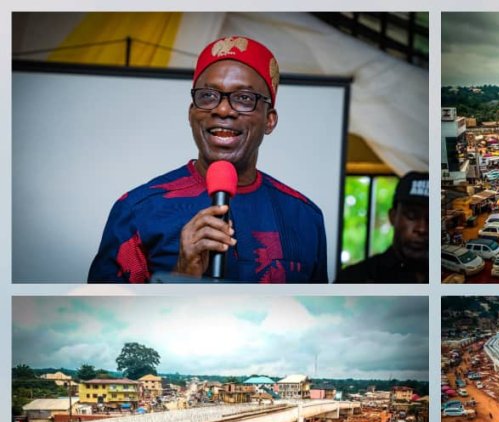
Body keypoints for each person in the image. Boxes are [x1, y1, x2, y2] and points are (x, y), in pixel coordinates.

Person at [88, 37, 327, 284]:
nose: (222, 110)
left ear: (269, 120)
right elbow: (102, 317)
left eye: (244, 98)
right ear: (191, 113)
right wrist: (181, 276)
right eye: (208, 96)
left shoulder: (305, 217)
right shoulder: (137, 211)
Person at [337, 172, 428, 283]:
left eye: (432, 218)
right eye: (412, 215)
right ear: (393, 217)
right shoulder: (355, 279)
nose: (422, 228)